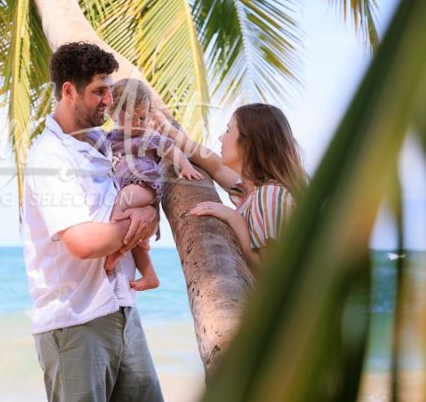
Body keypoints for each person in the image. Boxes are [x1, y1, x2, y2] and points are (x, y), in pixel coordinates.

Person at [22, 42, 165, 401]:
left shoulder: (105, 143)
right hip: (75, 323)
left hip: (122, 311)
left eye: (109, 91)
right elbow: (83, 242)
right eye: (98, 91)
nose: (107, 100)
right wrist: (142, 221)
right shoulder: (51, 157)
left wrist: (147, 209)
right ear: (69, 91)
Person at [169, 103, 306, 274]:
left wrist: (235, 219)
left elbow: (271, 272)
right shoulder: (252, 191)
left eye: (227, 130)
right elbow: (215, 166)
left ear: (247, 144)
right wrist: (169, 131)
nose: (221, 138)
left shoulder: (270, 195)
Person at [103, 78, 203, 290]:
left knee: (121, 203)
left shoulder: (148, 136)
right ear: (113, 113)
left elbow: (170, 148)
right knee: (137, 238)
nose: (140, 123)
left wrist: (185, 166)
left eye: (143, 117)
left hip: (144, 185)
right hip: (126, 187)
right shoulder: (109, 139)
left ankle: (113, 249)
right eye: (132, 118)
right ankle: (150, 276)